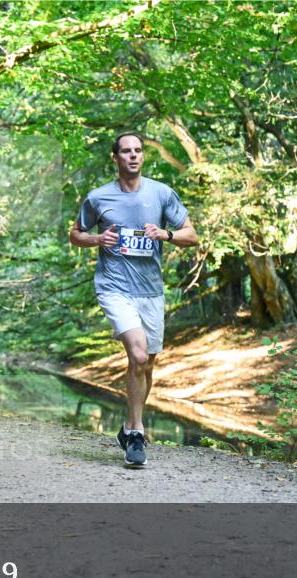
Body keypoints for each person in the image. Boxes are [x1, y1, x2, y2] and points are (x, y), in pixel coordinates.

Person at [69, 133, 198, 466]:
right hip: (114, 288)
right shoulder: (99, 197)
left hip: (151, 292)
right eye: (126, 151)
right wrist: (98, 238)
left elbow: (191, 235)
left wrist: (165, 234)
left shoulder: (161, 193)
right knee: (138, 353)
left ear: (143, 156)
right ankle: (138, 432)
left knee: (147, 362)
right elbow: (75, 234)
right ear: (115, 157)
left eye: (138, 151)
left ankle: (128, 426)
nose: (133, 156)